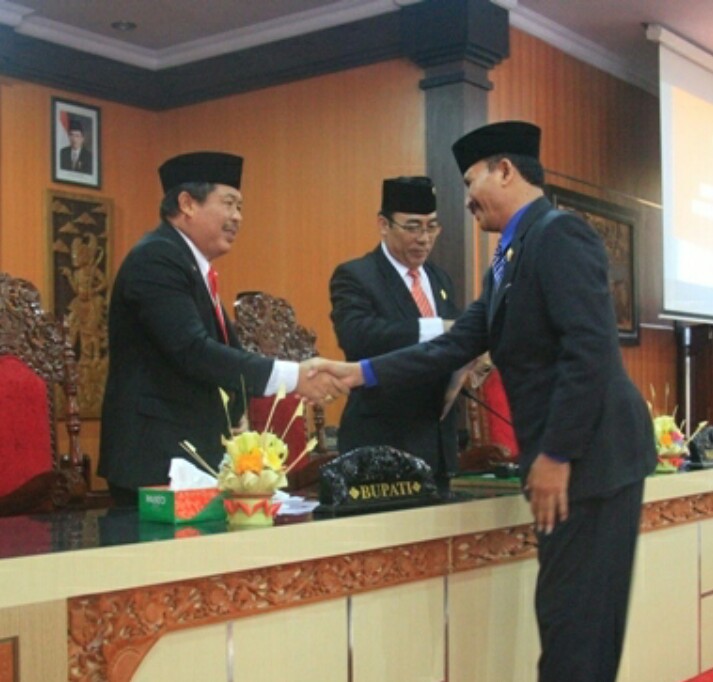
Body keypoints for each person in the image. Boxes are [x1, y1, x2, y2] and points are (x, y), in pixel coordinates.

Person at [317, 121, 657, 682]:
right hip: (574, 463)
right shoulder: (509, 256)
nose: (467, 199)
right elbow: (453, 345)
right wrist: (359, 373)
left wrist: (556, 454)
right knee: (566, 623)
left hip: (592, 462)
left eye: (470, 181)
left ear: (504, 170)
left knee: (578, 631)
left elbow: (589, 351)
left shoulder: (558, 235)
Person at [99, 151, 347, 506]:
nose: (237, 218)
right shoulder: (156, 259)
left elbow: (225, 355)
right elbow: (193, 351)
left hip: (191, 458)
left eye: (240, 207)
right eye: (228, 204)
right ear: (187, 203)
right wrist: (295, 376)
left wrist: (238, 416)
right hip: (154, 462)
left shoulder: (190, 265)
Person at [329, 176, 461, 492]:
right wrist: (437, 328)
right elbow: (358, 336)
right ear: (383, 225)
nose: (424, 239)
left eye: (432, 227)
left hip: (436, 444)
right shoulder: (356, 275)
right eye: (413, 227)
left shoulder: (439, 278)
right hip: (382, 442)